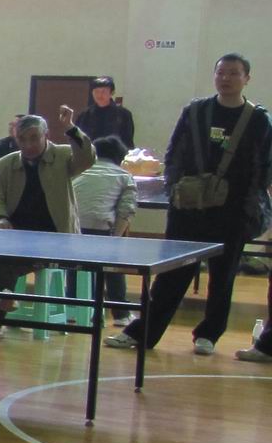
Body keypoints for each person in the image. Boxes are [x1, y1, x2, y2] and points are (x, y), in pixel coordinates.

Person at [108, 54, 271, 356]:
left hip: (233, 213)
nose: (226, 78)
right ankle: (143, 333)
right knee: (171, 274)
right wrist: (176, 189)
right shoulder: (196, 111)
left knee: (223, 277)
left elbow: (264, 167)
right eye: (221, 72)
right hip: (188, 209)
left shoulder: (258, 119)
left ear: (246, 78)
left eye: (234, 73)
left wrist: (249, 206)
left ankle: (209, 334)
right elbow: (174, 154)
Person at [0, 108, 95, 336]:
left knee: (4, 264)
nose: (28, 144)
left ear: (46, 136)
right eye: (22, 139)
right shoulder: (4, 165)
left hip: (56, 237)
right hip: (17, 236)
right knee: (0, 258)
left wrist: (71, 128)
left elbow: (87, 158)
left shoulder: (63, 156)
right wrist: (0, 218)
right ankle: (2, 300)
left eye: (34, 138)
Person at [73, 134, 138, 310]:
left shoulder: (79, 171)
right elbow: (126, 211)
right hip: (99, 227)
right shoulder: (124, 176)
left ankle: (75, 306)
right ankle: (120, 313)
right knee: (113, 264)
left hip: (72, 228)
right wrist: (115, 239)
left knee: (76, 265)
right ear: (120, 157)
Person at [76, 75, 134, 147]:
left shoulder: (123, 114)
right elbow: (78, 138)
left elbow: (128, 141)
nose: (100, 95)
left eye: (103, 91)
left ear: (112, 93)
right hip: (91, 152)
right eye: (96, 91)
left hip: (115, 152)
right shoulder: (85, 115)